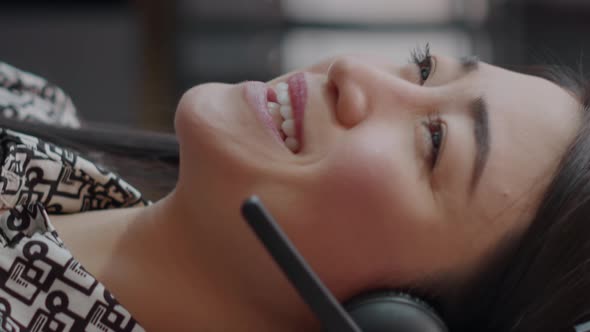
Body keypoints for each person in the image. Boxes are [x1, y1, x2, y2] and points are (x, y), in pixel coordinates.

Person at [0, 44, 588, 332]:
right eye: (423, 68)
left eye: (434, 143)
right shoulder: (28, 102)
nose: (353, 75)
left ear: (397, 323)